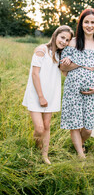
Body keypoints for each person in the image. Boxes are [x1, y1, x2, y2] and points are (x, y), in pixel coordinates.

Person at [60, 8, 94, 158]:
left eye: (92, 22)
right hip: (73, 89)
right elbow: (62, 67)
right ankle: (81, 156)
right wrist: (72, 62)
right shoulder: (73, 43)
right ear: (81, 24)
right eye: (86, 22)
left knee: (88, 128)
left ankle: (79, 144)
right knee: (75, 124)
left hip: (91, 92)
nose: (89, 25)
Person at [22, 25, 74, 164]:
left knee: (47, 125)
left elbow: (64, 73)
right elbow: (35, 74)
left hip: (52, 93)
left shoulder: (61, 54)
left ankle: (44, 154)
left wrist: (68, 63)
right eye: (62, 37)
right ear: (55, 35)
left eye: (67, 40)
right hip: (37, 93)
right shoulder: (42, 50)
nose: (64, 41)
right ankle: (36, 145)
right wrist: (40, 96)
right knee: (39, 128)